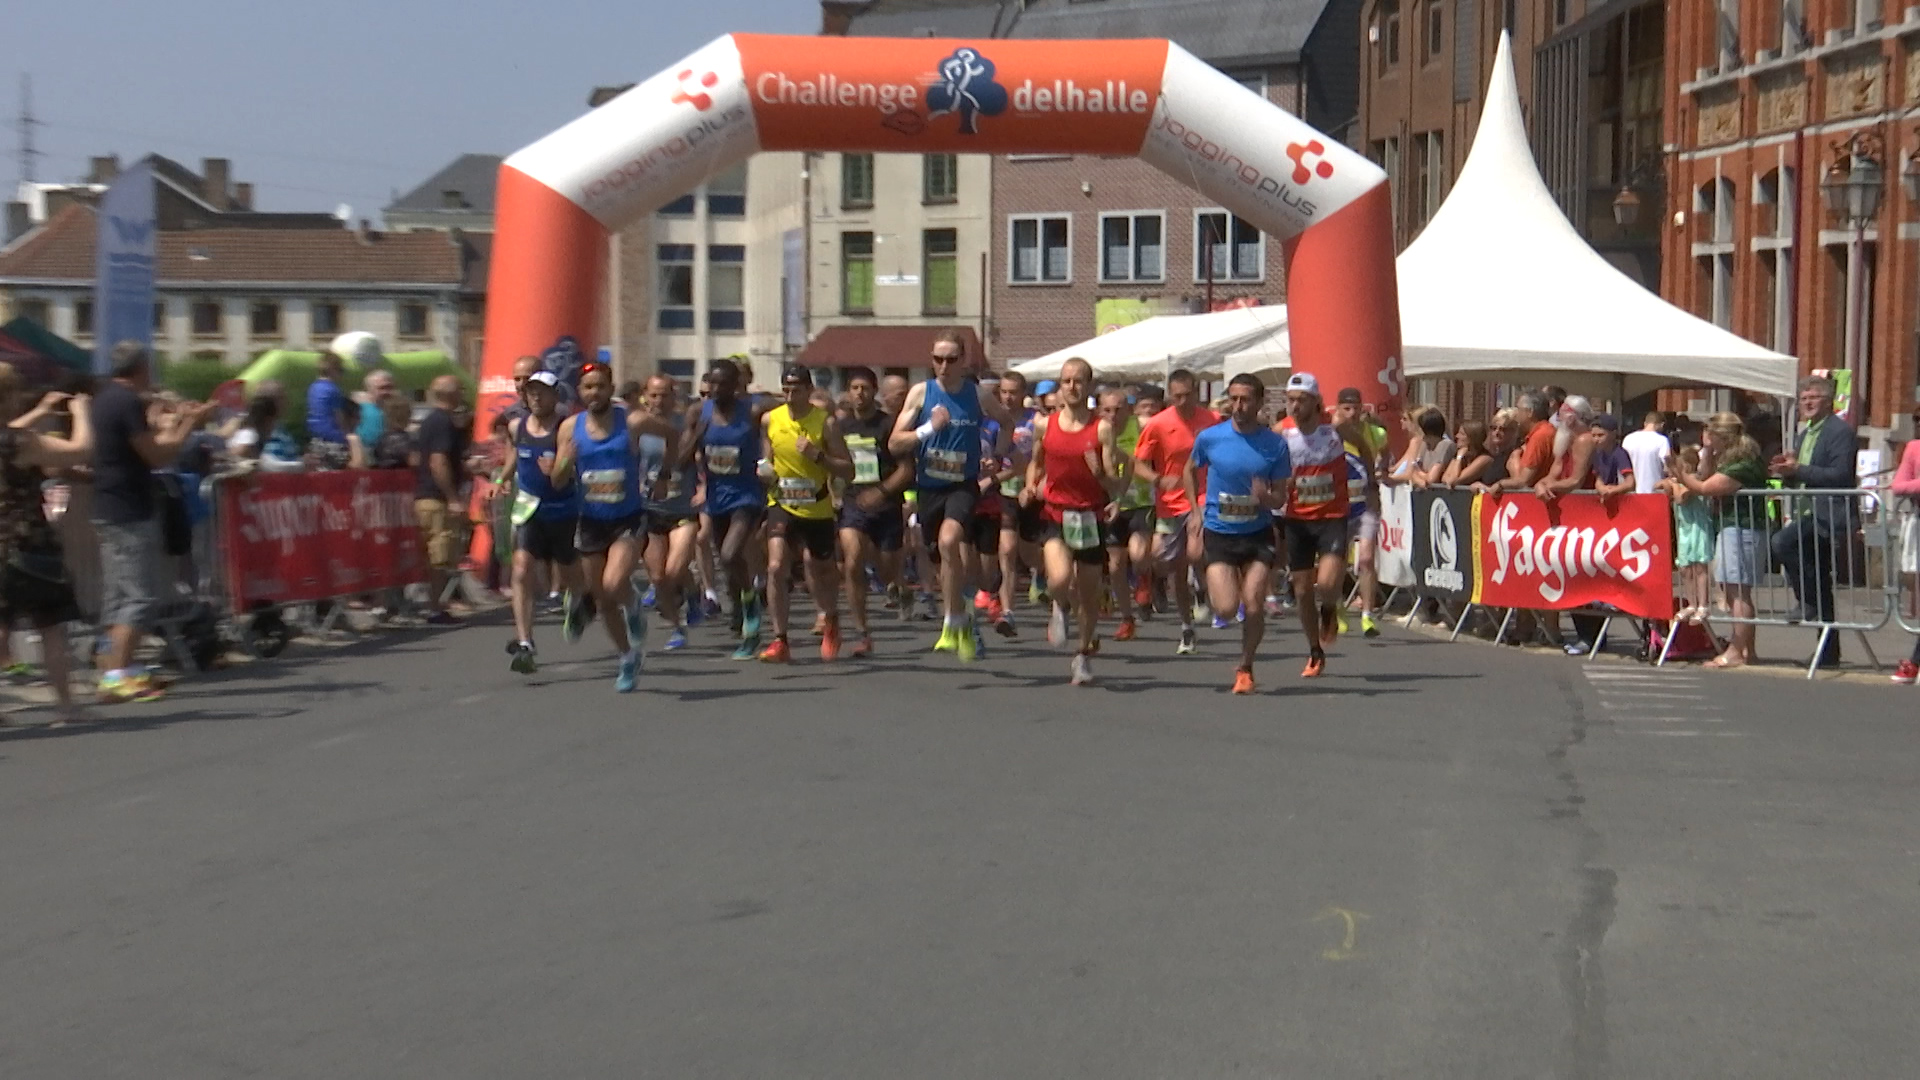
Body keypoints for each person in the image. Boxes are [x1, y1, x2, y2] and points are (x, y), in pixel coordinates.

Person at [90, 342, 215, 703]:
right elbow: (157, 453)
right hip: (127, 507)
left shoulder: (104, 398)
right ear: (141, 367)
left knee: (118, 597)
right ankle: (116, 676)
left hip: (110, 505)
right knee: (139, 598)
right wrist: (190, 423)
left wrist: (178, 423)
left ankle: (113, 671)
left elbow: (147, 443)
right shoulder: (127, 402)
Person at [887, 331, 1015, 660]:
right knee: (941, 556)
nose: (943, 366)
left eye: (951, 359)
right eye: (937, 359)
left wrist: (996, 458)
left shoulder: (977, 394)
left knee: (949, 541)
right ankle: (961, 616)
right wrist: (929, 428)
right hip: (930, 487)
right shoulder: (921, 393)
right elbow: (894, 443)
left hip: (962, 485)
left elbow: (1006, 422)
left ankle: (951, 621)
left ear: (963, 361)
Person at [552, 362, 677, 691]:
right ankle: (627, 657)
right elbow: (557, 479)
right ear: (580, 392)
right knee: (603, 599)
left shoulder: (632, 421)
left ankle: (633, 602)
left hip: (628, 519)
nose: (594, 393)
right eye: (588, 387)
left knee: (612, 583)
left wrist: (664, 476)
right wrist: (564, 459)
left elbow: (671, 434)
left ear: (611, 388)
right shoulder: (569, 428)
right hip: (591, 520)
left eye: (600, 386)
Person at [1183, 373, 1291, 694]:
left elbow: (1281, 496)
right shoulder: (1210, 438)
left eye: (1245, 399)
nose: (1239, 405)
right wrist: (1195, 510)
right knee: (1227, 609)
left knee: (1254, 603)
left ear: (1259, 402)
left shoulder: (1275, 445)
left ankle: (1245, 666)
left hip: (1258, 533)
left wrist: (1266, 497)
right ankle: (1207, 593)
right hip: (1219, 531)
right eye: (1234, 398)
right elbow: (1189, 470)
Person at [0, 367, 92, 723]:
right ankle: (66, 706)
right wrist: (81, 413)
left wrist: (39, 411)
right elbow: (78, 449)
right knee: (49, 625)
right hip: (27, 543)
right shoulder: (20, 442)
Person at [1025, 358, 1125, 684]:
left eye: (1078, 381)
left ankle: (1082, 655)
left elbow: (1111, 481)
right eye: (1066, 380)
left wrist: (1099, 472)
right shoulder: (1045, 424)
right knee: (1059, 578)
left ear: (1089, 386)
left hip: (1090, 516)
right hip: (1056, 512)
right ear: (1059, 385)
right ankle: (1058, 605)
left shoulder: (1102, 429)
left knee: (1089, 592)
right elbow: (1036, 463)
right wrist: (1030, 484)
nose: (1071, 387)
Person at [758, 365, 852, 663]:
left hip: (817, 508)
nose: (789, 395)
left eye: (796, 389)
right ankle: (780, 640)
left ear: (809, 390)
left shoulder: (826, 423)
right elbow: (767, 456)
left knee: (820, 569)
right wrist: (765, 471)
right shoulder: (770, 419)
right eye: (785, 389)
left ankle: (831, 620)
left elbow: (848, 470)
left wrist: (818, 456)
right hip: (782, 504)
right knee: (775, 567)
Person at [681, 358, 769, 660]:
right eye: (711, 384)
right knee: (727, 562)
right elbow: (680, 460)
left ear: (735, 386)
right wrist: (696, 435)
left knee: (732, 554)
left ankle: (750, 607)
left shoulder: (752, 411)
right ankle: (740, 605)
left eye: (722, 384)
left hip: (746, 495)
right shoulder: (698, 412)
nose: (716, 389)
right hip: (716, 497)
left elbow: (783, 406)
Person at [1769, 374, 1858, 665]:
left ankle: (1806, 601)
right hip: (1806, 511)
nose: (1807, 403)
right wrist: (1787, 471)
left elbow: (1840, 475)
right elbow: (1802, 474)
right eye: (1804, 398)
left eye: (1813, 397)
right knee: (1820, 581)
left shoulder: (1839, 432)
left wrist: (1801, 470)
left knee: (1782, 542)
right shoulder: (1805, 433)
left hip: (1827, 514)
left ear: (1828, 401)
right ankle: (1828, 651)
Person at [504, 371, 588, 673]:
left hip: (563, 510)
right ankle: (525, 641)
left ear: (556, 396)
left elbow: (580, 465)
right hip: (530, 509)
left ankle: (580, 599)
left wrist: (560, 467)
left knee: (569, 573)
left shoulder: (566, 429)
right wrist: (501, 477)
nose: (536, 397)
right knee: (522, 569)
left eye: (543, 392)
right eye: (531, 392)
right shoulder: (517, 426)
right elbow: (515, 453)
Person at [1132, 368, 1220, 655]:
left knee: (1196, 551)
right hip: (1169, 502)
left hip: (1204, 496)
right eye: (1177, 396)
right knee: (1169, 564)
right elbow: (1138, 463)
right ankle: (1186, 626)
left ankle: (1202, 589)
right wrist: (1157, 479)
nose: (1182, 401)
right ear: (1170, 395)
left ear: (1197, 393)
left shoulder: (1211, 420)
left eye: (1188, 395)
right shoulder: (1158, 424)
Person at [1672, 413, 1769, 668]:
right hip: (1732, 526)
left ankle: (1737, 650)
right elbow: (1705, 474)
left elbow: (1705, 487)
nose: (1706, 438)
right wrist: (1706, 452)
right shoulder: (1727, 457)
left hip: (1742, 527)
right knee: (1735, 590)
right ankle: (1747, 650)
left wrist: (1679, 475)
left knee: (1738, 592)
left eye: (1710, 434)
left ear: (1721, 435)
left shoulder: (1742, 462)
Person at [1274, 372, 1350, 677]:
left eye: (1301, 401)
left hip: (1332, 515)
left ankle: (1329, 608)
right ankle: (1314, 650)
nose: (1295, 406)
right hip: (1297, 518)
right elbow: (1268, 465)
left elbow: (1366, 447)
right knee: (1303, 589)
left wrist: (1371, 480)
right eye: (1291, 400)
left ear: (1315, 402)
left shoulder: (1336, 427)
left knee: (1328, 582)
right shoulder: (1281, 432)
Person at [836, 366, 912, 657]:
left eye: (865, 388)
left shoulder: (889, 425)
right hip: (853, 502)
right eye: (854, 388)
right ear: (847, 392)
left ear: (875, 391)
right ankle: (861, 632)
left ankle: (900, 587)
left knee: (887, 568)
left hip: (886, 503)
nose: (859, 393)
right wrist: (834, 493)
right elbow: (832, 465)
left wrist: (881, 491)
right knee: (853, 559)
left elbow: (906, 471)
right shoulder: (840, 427)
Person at [637, 375, 701, 651]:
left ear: (674, 397)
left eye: (664, 395)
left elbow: (702, 461)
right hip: (649, 509)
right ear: (645, 396)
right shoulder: (637, 427)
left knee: (674, 570)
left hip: (682, 508)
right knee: (659, 577)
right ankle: (677, 628)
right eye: (653, 395)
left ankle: (693, 592)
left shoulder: (684, 426)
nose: (659, 401)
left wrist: (704, 488)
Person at [412, 376, 470, 625]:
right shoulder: (442, 422)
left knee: (433, 553)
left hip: (424, 496)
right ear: (451, 394)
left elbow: (418, 458)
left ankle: (435, 604)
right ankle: (435, 606)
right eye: (460, 390)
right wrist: (452, 497)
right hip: (436, 499)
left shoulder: (428, 421)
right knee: (439, 554)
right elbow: (438, 461)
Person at [1334, 388, 1389, 636]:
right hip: (1340, 503)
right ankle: (1337, 608)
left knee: (1366, 557)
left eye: (1356, 408)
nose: (1353, 413)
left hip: (1366, 502)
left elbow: (1385, 455)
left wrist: (1381, 474)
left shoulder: (1376, 433)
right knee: (1336, 558)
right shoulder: (1332, 434)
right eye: (1347, 408)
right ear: (1338, 409)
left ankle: (1368, 614)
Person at [992, 371, 1044, 633]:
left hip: (1030, 493)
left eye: (1013, 392)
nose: (1008, 397)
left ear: (1023, 394)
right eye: (1004, 392)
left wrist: (1031, 486)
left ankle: (1042, 573)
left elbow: (1040, 460)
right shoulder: (994, 422)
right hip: (1004, 493)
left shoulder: (1036, 422)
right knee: (1007, 551)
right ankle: (1008, 612)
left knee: (1029, 552)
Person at [1661, 443, 1714, 626]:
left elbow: (1681, 498)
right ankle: (1691, 603)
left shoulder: (1694, 481)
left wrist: (1674, 483)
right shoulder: (1677, 481)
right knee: (1684, 567)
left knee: (1700, 566)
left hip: (1698, 527)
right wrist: (1668, 482)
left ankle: (1703, 604)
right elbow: (1660, 487)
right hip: (1684, 528)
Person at [1494, 391, 1557, 492]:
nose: (1517, 414)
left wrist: (1500, 484)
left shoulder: (1539, 436)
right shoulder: (1548, 430)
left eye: (1519, 409)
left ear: (1530, 412)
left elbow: (1523, 482)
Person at [305, 351, 353, 470]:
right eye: (341, 371)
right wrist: (347, 435)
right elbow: (339, 417)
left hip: (315, 438)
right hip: (333, 438)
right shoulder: (333, 390)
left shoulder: (313, 388)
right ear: (333, 370)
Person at [1622, 411, 1672, 495]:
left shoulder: (1628, 439)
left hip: (1631, 492)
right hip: (1654, 491)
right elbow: (1668, 465)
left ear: (1645, 423)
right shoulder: (1661, 440)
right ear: (1662, 425)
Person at [1588, 414, 1636, 496]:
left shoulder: (1620, 454)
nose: (1596, 439)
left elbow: (1630, 483)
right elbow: (1599, 479)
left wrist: (1614, 490)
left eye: (1600, 435)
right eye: (1593, 436)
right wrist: (1601, 488)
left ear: (1613, 434)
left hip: (1622, 500)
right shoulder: (1598, 454)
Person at [356, 368, 398, 452]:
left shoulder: (397, 410)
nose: (386, 392)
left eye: (389, 387)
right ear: (369, 390)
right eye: (382, 388)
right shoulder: (361, 411)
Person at [1441, 420, 1493, 487]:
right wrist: (1459, 457)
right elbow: (1444, 478)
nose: (1457, 436)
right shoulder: (1460, 454)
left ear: (1472, 438)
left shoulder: (1485, 459)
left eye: (1462, 434)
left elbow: (1453, 481)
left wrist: (1459, 457)